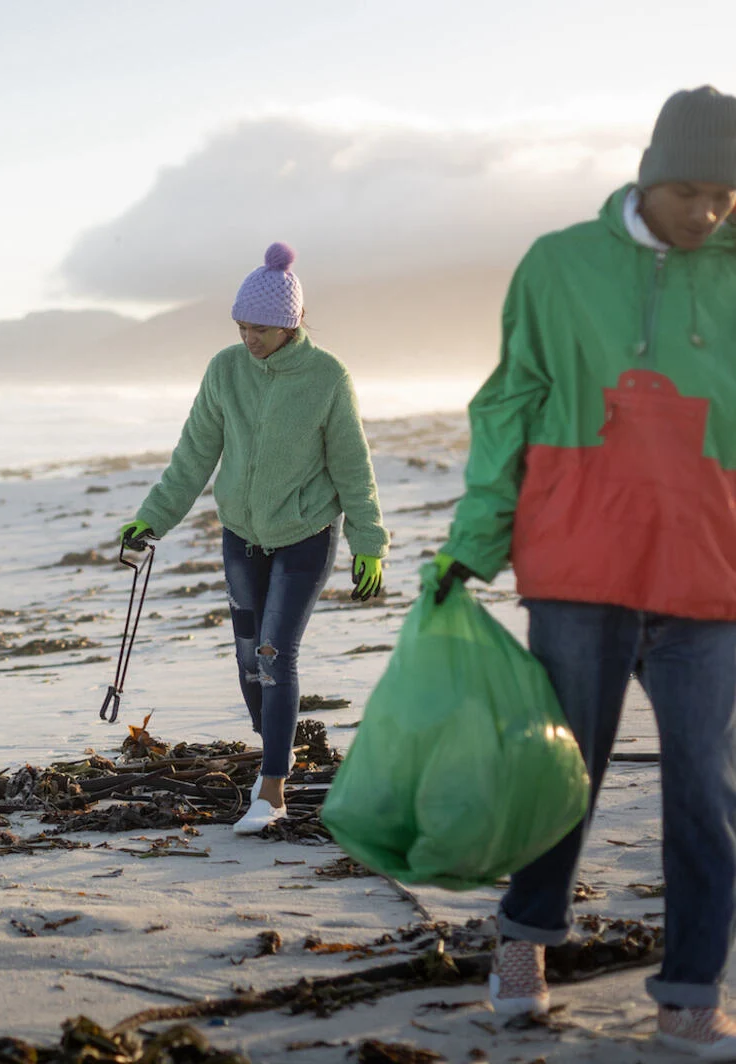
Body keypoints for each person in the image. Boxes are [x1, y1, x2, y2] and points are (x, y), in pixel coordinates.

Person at [436, 86, 736, 1057]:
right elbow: (510, 404)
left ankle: (691, 987)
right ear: (649, 176)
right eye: (690, 191)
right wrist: (475, 540)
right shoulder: (558, 265)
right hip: (581, 565)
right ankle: (524, 944)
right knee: (563, 773)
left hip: (709, 573)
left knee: (706, 787)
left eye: (727, 197)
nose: (708, 214)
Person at [120, 243, 389, 835]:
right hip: (241, 534)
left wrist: (369, 541)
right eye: (242, 326)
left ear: (290, 323)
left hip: (305, 534)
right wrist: (152, 519)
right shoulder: (225, 371)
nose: (249, 338)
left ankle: (272, 789)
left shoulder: (327, 378)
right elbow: (193, 456)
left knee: (273, 654)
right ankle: (279, 747)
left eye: (260, 328)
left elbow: (352, 466)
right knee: (247, 660)